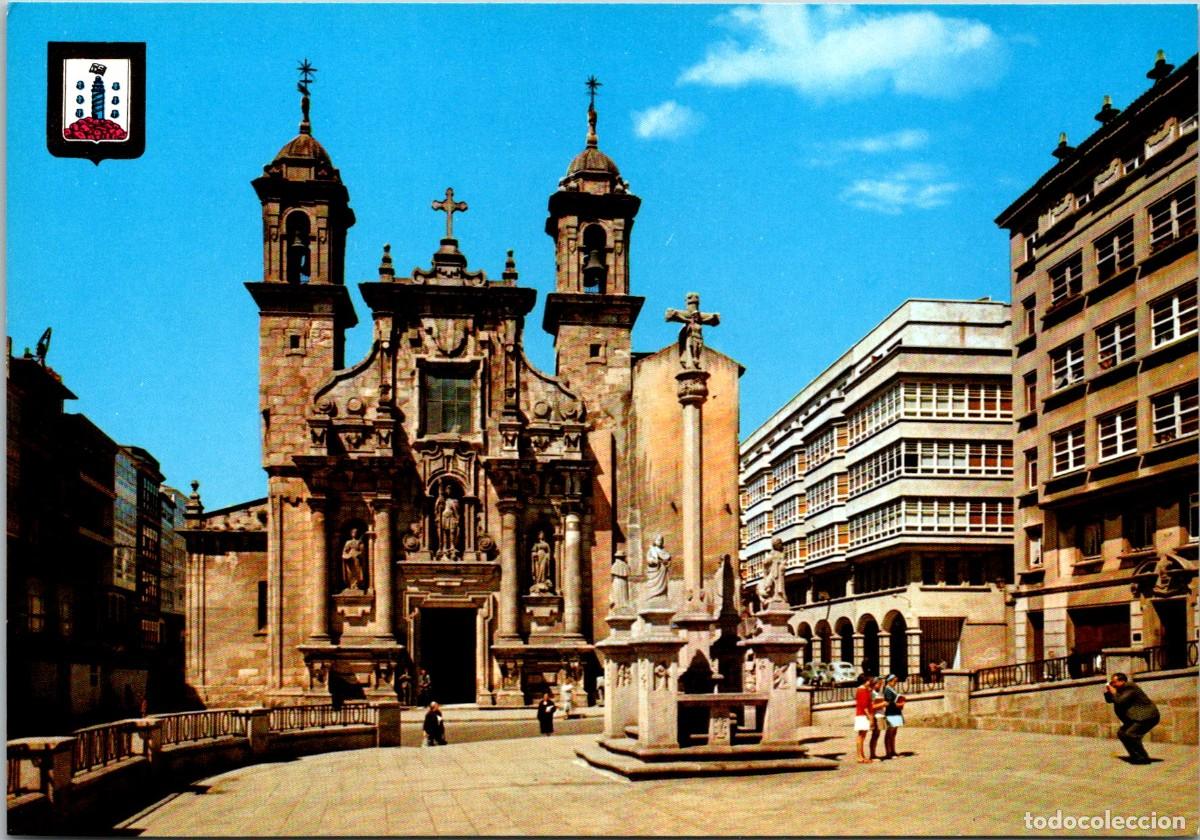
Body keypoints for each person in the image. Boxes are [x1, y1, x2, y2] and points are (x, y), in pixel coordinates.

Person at [1104, 672, 1160, 764]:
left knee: (1131, 734)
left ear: (1122, 681)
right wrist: (1108, 692)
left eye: (1114, 682)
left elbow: (1119, 701)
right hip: (1136, 718)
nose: (1112, 684)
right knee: (1122, 733)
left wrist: (1114, 692)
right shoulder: (1120, 689)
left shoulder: (1130, 687)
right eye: (1111, 682)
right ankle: (1135, 755)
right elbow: (1110, 700)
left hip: (1147, 717)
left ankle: (1143, 758)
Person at [853, 674, 881, 764]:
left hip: (862, 715)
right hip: (862, 715)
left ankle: (862, 755)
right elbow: (864, 706)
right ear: (865, 681)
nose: (870, 682)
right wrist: (870, 718)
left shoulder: (864, 690)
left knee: (862, 736)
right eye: (869, 681)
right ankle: (859, 756)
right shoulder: (862, 690)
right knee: (861, 736)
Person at [881, 674, 906, 759]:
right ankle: (888, 752)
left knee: (894, 733)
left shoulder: (892, 689)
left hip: (896, 712)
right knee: (890, 733)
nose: (895, 683)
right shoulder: (887, 690)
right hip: (891, 713)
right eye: (894, 681)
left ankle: (893, 751)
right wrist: (898, 704)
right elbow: (889, 702)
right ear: (889, 681)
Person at [643, 535, 671, 602]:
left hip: (663, 571)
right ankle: (653, 597)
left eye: (661, 540)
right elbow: (648, 559)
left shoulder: (664, 551)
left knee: (663, 585)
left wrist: (667, 563)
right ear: (655, 541)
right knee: (652, 586)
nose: (660, 542)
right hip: (654, 571)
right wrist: (654, 561)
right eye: (658, 540)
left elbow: (668, 559)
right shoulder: (652, 550)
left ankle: (662, 596)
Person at [869, 676, 886, 760]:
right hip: (876, 715)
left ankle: (874, 754)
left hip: (881, 714)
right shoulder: (872, 693)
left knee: (877, 734)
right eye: (879, 684)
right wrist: (882, 704)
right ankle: (872, 754)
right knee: (875, 735)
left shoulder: (880, 692)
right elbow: (871, 706)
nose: (880, 685)